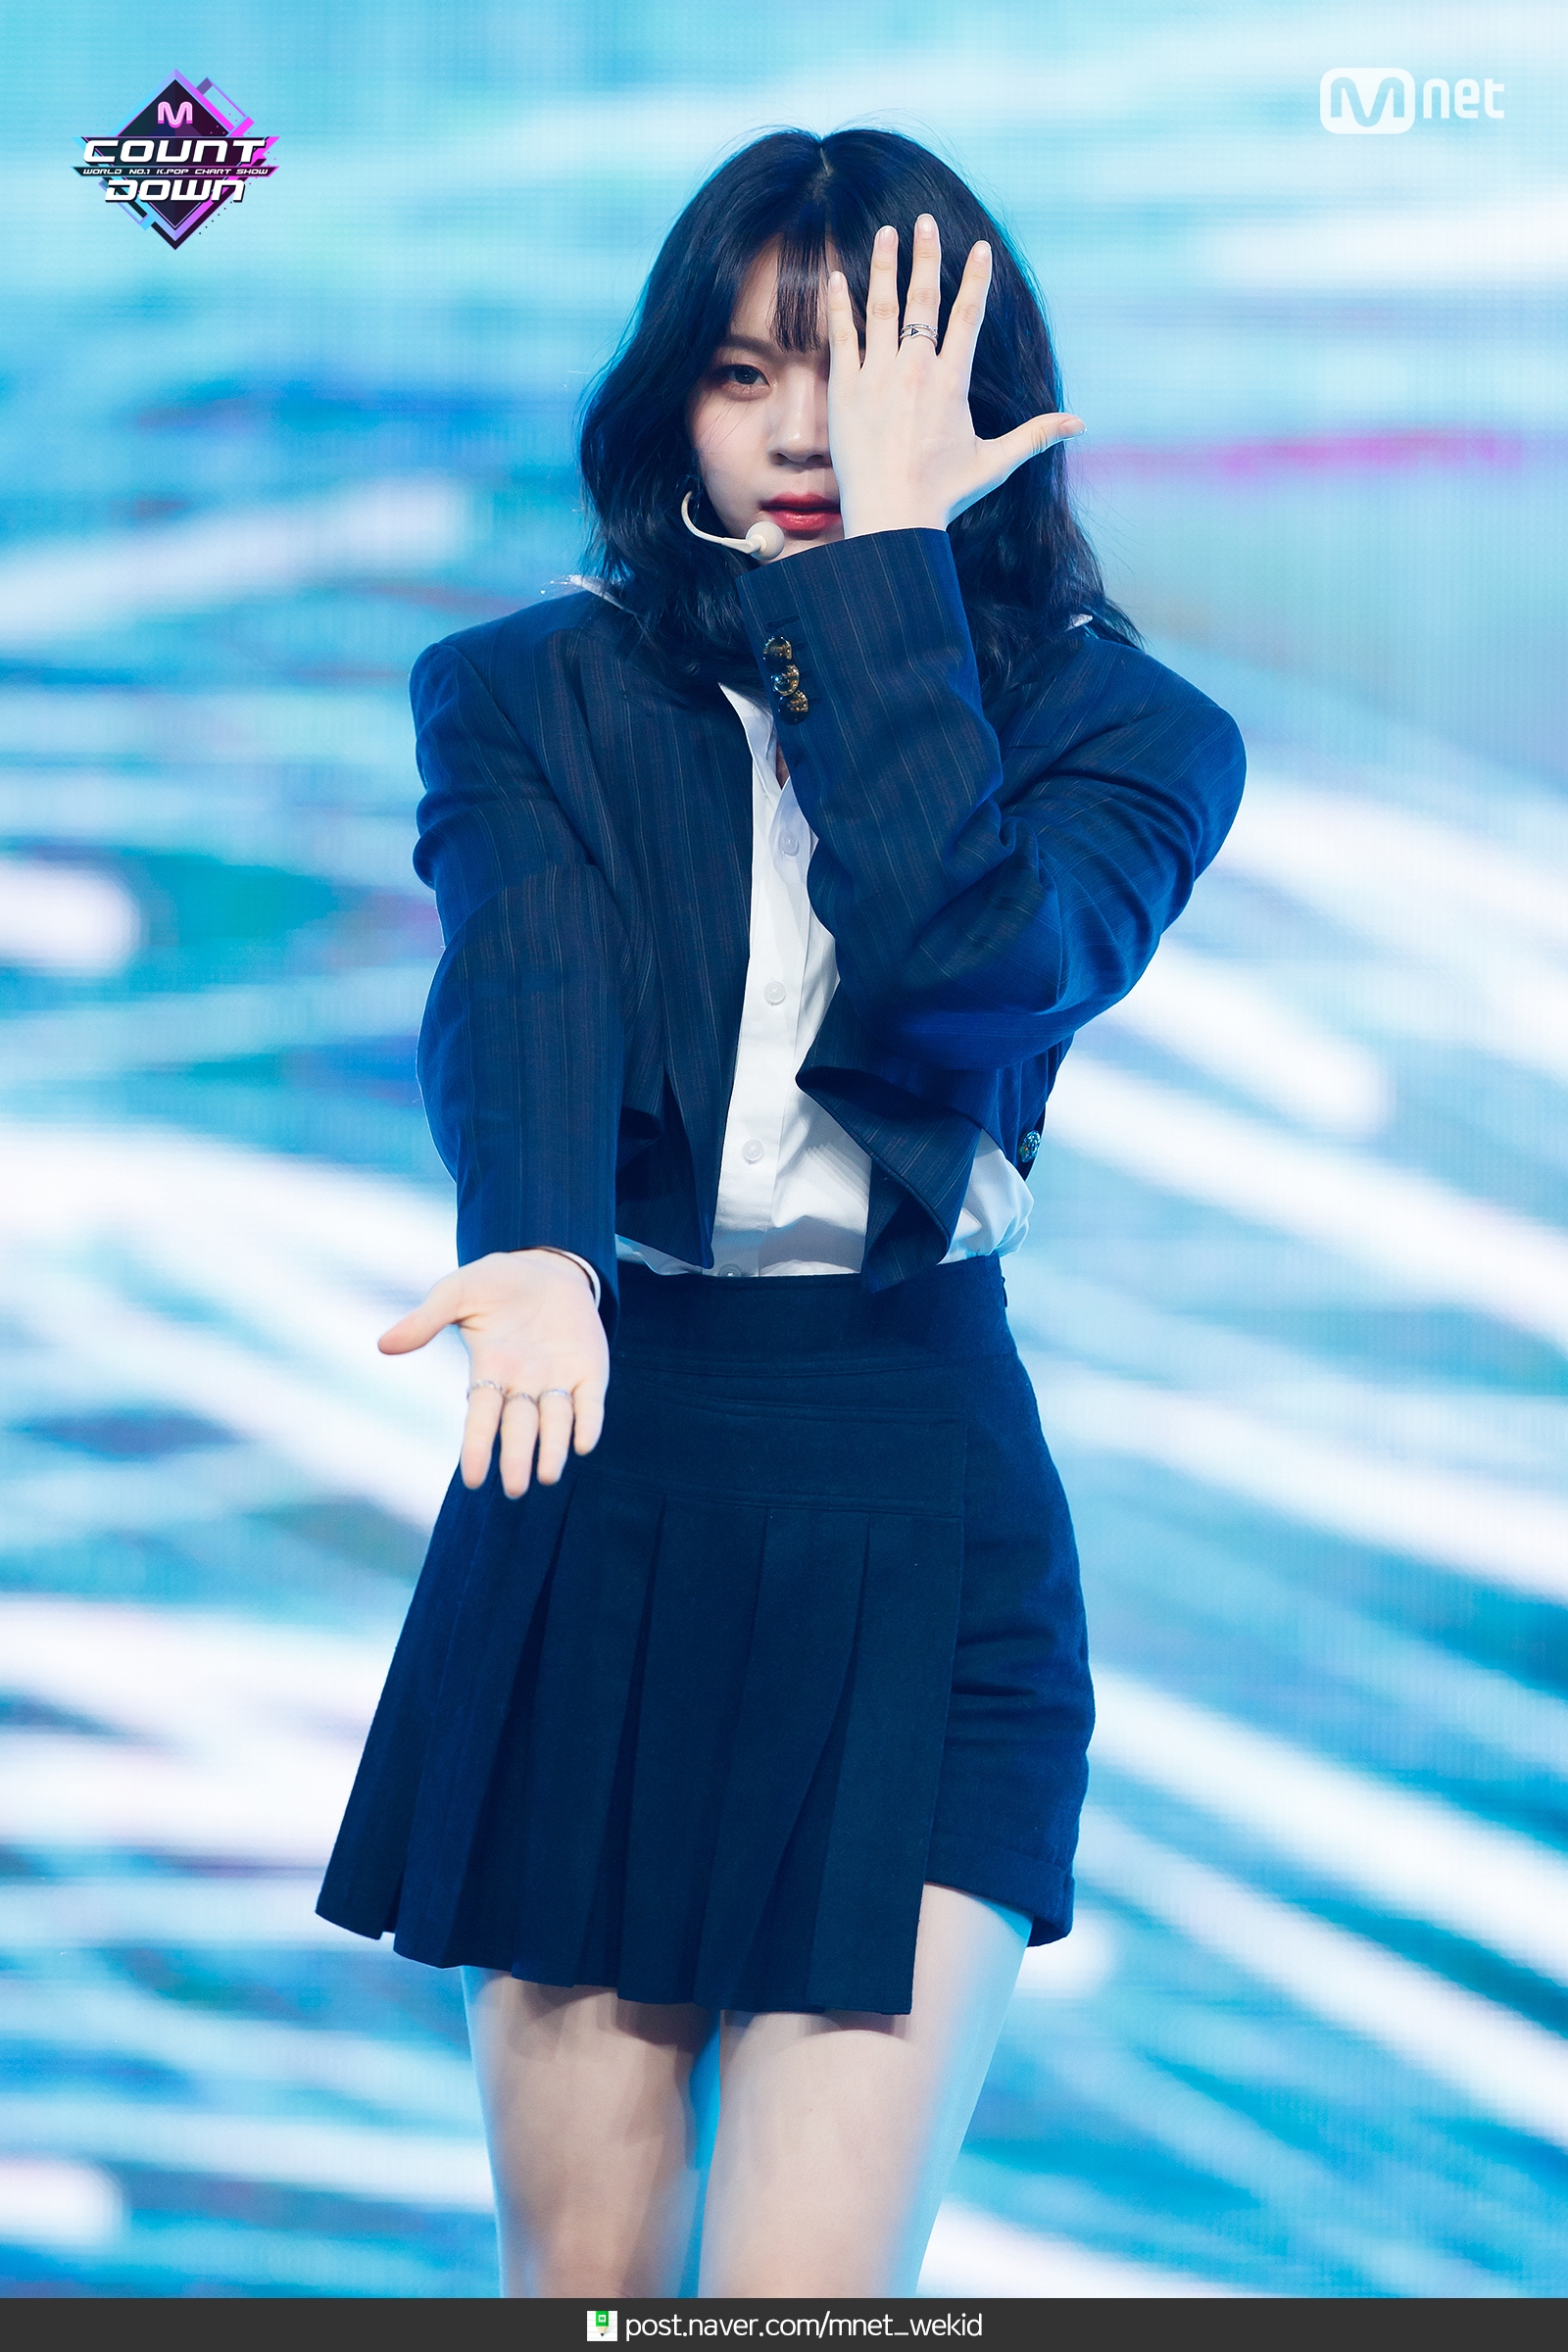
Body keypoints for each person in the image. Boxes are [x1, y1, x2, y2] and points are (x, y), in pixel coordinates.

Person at [317, 126, 1245, 2297]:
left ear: (989, 401)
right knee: (584, 2284)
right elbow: (523, 983)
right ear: (673, 406)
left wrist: (879, 581)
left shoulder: (1130, 733)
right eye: (748, 373)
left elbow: (961, 962)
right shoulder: (530, 686)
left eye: (864, 377)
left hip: (920, 1498)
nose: (808, 430)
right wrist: (535, 1241)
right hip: (605, 1470)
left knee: (805, 2301)